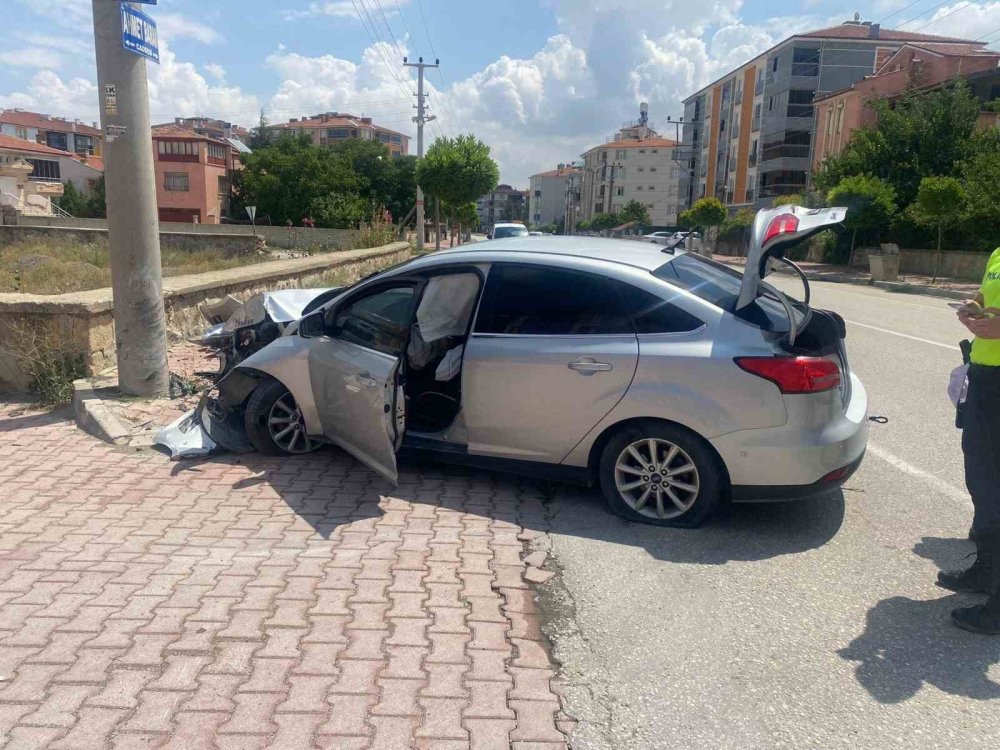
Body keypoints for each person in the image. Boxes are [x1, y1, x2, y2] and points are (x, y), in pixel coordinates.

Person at [938, 247, 1000, 635]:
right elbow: (987, 297)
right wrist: (973, 306)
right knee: (982, 480)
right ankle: (986, 570)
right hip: (986, 377)